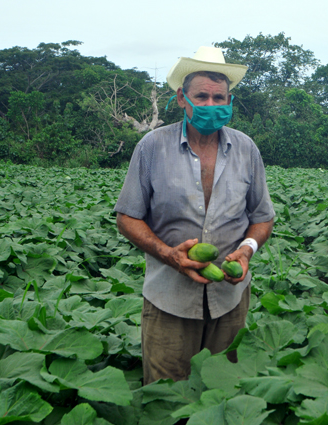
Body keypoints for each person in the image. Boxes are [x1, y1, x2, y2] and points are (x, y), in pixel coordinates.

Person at [114, 46, 275, 385]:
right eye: (201, 97)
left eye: (220, 98)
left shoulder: (246, 149)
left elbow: (262, 218)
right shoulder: (152, 146)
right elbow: (127, 217)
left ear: (230, 101)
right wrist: (169, 255)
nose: (211, 106)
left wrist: (247, 250)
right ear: (181, 99)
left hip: (230, 300)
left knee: (223, 393)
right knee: (166, 395)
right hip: (168, 300)